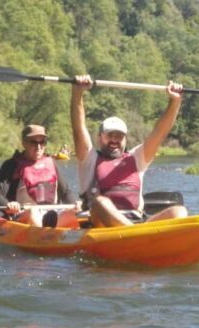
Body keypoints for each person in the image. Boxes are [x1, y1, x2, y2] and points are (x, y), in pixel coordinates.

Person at [70, 75, 188, 227]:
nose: (114, 140)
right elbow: (78, 127)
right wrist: (77, 93)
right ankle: (134, 233)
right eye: (109, 135)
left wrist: (175, 101)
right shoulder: (89, 159)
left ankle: (137, 234)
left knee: (179, 212)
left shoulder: (136, 158)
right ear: (100, 138)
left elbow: (159, 133)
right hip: (102, 226)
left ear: (125, 139)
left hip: (137, 223)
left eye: (119, 136)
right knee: (100, 202)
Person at [0, 124, 81, 228]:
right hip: (23, 215)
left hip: (52, 213)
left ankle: (56, 230)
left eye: (42, 142)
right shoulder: (11, 165)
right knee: (33, 211)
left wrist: (75, 205)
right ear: (24, 143)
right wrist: (8, 205)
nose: (38, 147)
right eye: (33, 142)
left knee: (76, 210)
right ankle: (46, 235)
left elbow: (65, 192)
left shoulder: (51, 163)